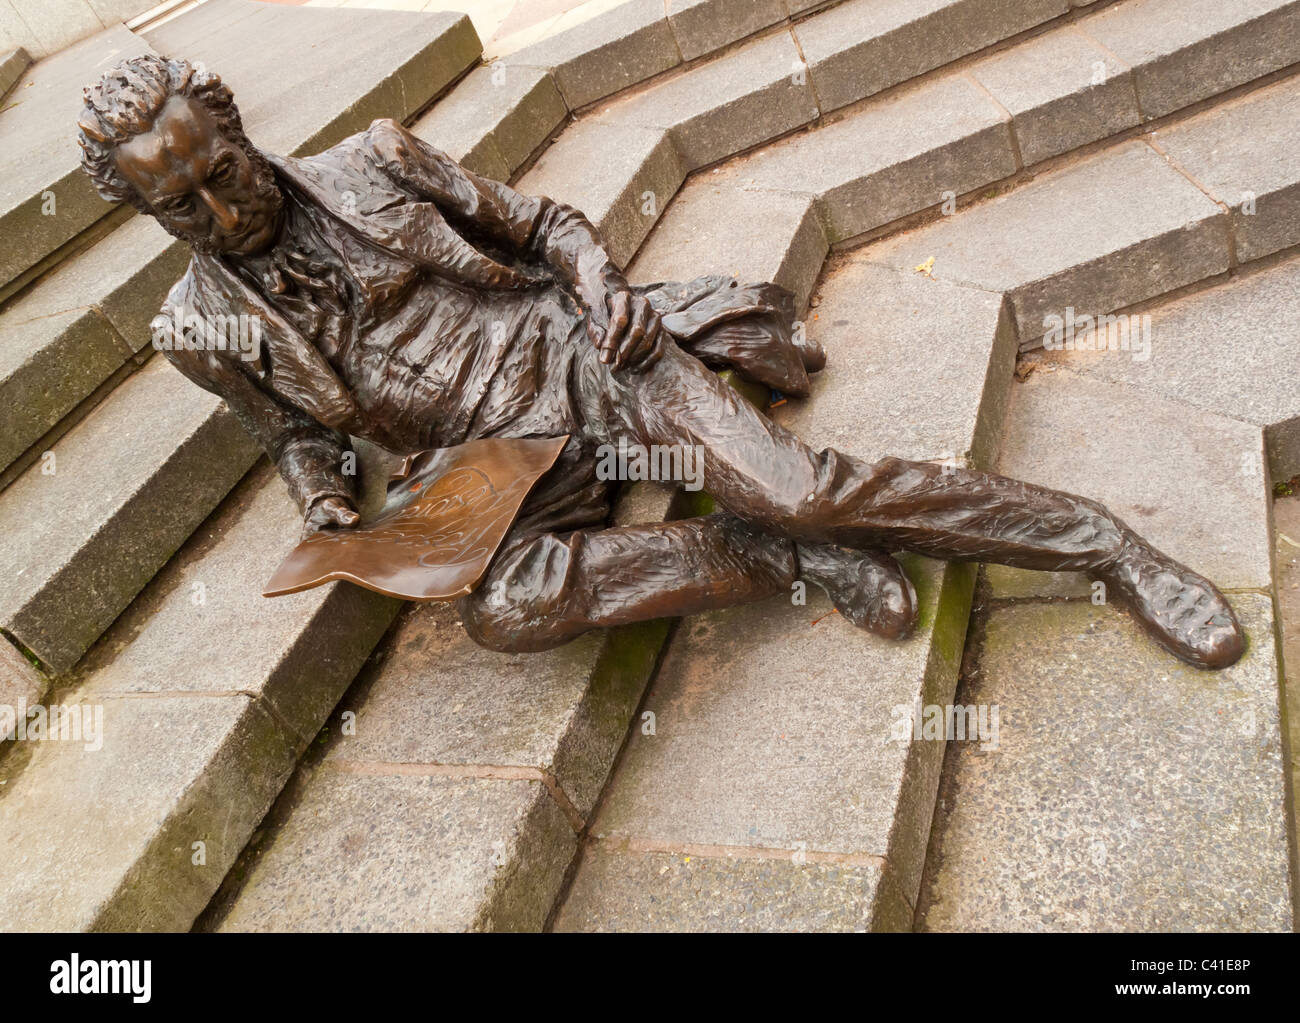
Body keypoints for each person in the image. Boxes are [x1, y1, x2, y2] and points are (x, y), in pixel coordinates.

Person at [76, 55, 1245, 669]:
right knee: (506, 612)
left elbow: (546, 229)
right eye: (182, 208)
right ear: (146, 213)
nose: (224, 215)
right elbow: (293, 434)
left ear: (237, 132)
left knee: (798, 479)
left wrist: (600, 289)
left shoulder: (378, 161)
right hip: (485, 466)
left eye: (223, 173)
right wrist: (325, 493)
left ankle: (1104, 543)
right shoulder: (193, 331)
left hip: (585, 357)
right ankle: (777, 558)